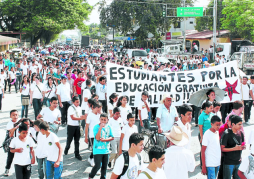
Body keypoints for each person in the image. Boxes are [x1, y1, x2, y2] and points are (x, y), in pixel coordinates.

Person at [88, 113, 114, 179]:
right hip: (97, 150)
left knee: (104, 166)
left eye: (104, 120)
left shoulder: (109, 127)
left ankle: (103, 177)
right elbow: (97, 138)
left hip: (106, 150)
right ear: (99, 119)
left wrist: (105, 140)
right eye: (101, 119)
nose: (103, 121)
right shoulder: (96, 127)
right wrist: (100, 128)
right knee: (98, 165)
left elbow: (112, 137)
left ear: (107, 120)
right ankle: (91, 176)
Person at [64, 96, 86, 160]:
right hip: (71, 126)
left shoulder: (79, 108)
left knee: (77, 141)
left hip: (77, 126)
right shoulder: (71, 108)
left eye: (78, 102)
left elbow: (79, 115)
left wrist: (83, 116)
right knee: (69, 140)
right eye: (76, 102)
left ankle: (77, 154)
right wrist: (82, 118)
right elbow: (73, 118)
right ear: (73, 102)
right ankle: (67, 148)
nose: (78, 103)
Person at [85, 102, 102, 166]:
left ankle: (91, 158)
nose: (99, 110)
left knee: (97, 148)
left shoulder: (100, 114)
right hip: (92, 134)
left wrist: (101, 114)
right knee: (95, 148)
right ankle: (93, 160)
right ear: (94, 108)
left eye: (100, 109)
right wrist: (86, 137)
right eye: (98, 109)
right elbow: (86, 127)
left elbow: (105, 122)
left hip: (100, 134)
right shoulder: (90, 115)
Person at [4, 109, 20, 176]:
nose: (15, 116)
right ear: (10, 116)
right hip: (12, 143)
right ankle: (7, 169)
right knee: (10, 157)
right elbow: (10, 134)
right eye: (13, 115)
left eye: (16, 115)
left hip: (20, 142)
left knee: (21, 156)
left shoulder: (20, 121)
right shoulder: (9, 124)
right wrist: (15, 127)